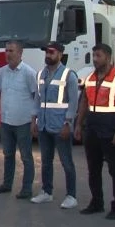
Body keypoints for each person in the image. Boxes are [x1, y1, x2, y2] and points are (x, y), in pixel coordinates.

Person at [76, 43, 115, 219]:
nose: (94, 59)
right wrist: (79, 124)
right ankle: (97, 202)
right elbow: (84, 102)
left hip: (110, 127)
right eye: (93, 56)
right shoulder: (91, 77)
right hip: (92, 126)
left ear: (108, 57)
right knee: (93, 168)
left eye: (98, 56)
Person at [31, 42, 79, 209]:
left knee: (66, 162)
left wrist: (68, 123)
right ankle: (46, 192)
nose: (48, 55)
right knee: (45, 161)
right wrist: (34, 121)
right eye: (46, 52)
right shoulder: (41, 74)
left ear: (60, 54)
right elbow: (37, 100)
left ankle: (71, 195)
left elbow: (73, 102)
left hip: (60, 125)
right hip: (44, 125)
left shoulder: (68, 75)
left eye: (51, 52)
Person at [0, 40, 37, 199]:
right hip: (6, 121)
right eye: (6, 51)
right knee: (8, 154)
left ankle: (26, 188)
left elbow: (35, 97)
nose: (8, 54)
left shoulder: (28, 73)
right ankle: (6, 184)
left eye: (11, 51)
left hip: (23, 122)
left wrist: (34, 121)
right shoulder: (2, 72)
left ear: (20, 53)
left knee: (26, 156)